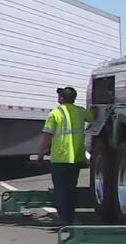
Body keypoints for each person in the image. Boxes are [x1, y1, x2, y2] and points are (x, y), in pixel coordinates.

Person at [37, 86, 94, 225]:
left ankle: (64, 218)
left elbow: (47, 136)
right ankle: (70, 217)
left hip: (60, 158)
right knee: (70, 188)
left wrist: (41, 154)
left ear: (62, 98)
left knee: (60, 189)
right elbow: (92, 116)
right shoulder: (80, 112)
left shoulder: (55, 114)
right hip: (76, 157)